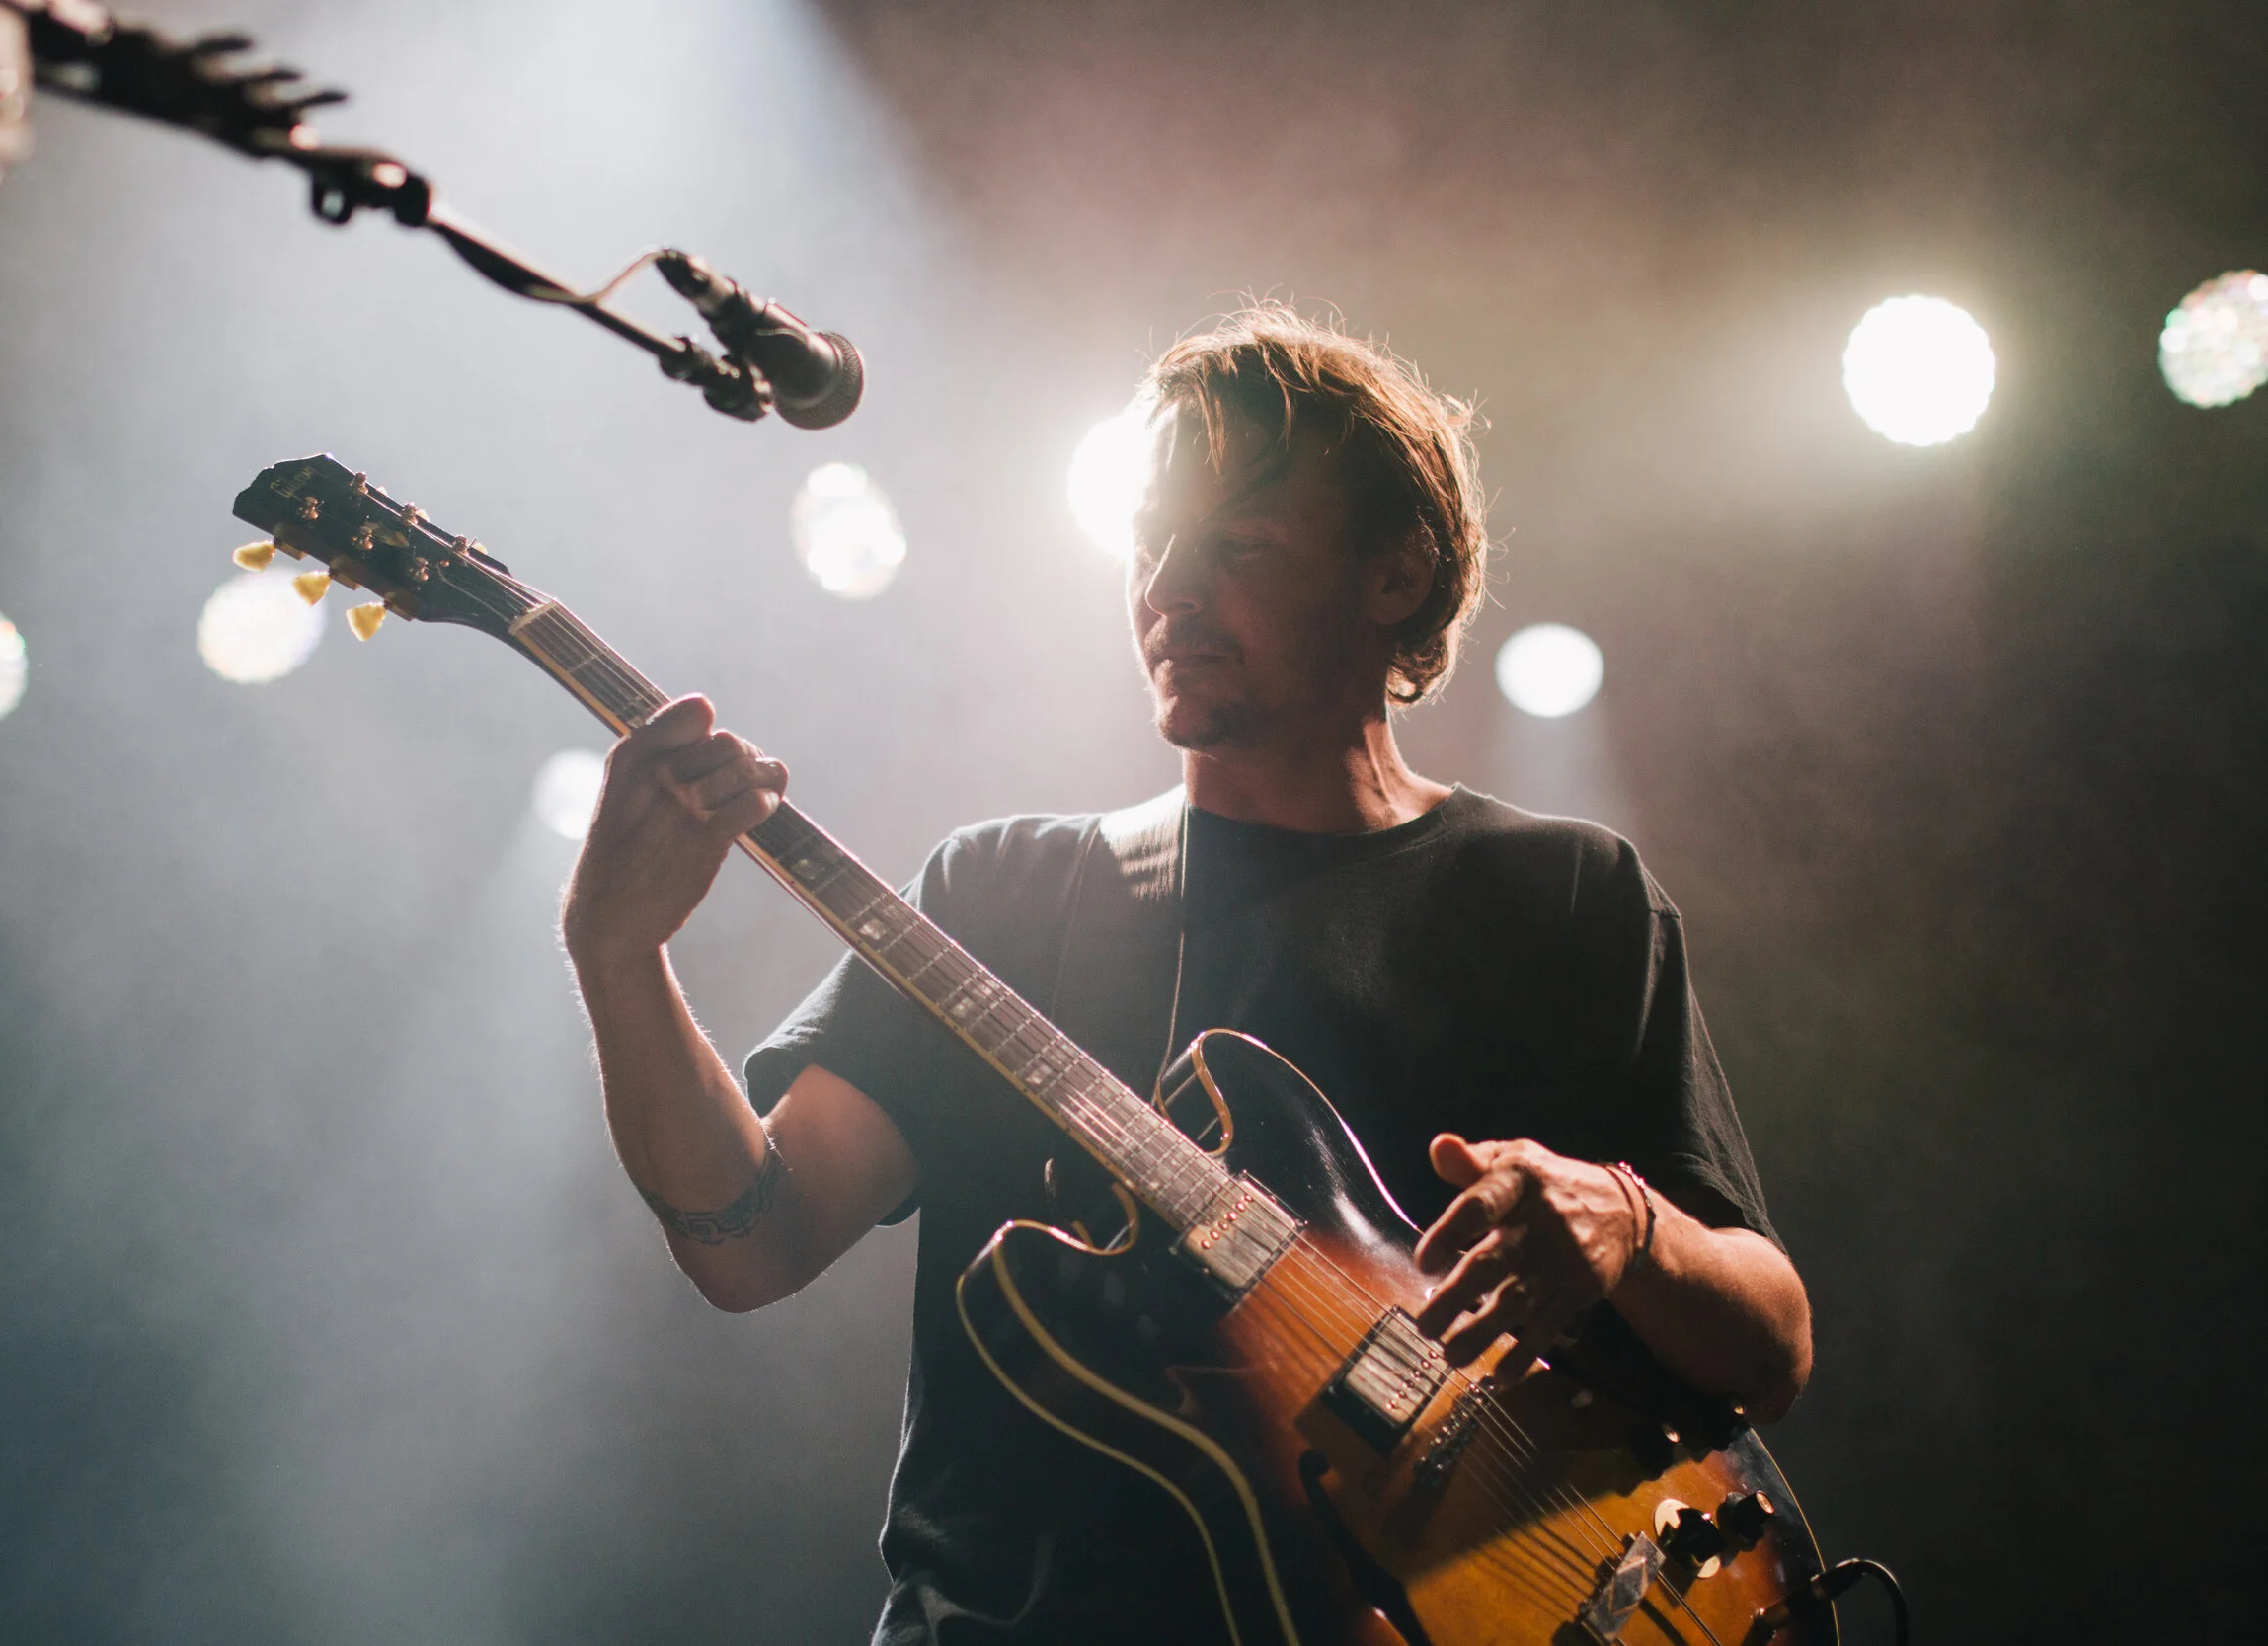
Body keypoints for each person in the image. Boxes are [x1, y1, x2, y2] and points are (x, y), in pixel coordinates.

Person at [559, 306, 1813, 1644]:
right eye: (1149, 544)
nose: (1169, 588)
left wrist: (1629, 1227)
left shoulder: (1565, 894)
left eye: (1238, 544)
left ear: (1395, 572)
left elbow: (1771, 1343)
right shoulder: (1003, 893)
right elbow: (751, 1242)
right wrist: (619, 959)